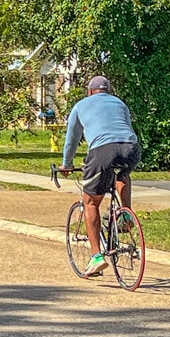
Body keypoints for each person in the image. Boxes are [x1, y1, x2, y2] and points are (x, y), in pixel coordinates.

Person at [60, 75, 141, 277]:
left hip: (103, 149)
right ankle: (125, 213)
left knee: (91, 202)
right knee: (122, 174)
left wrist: (67, 164)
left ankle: (96, 257)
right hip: (131, 148)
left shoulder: (81, 106)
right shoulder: (120, 103)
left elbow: (72, 140)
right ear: (109, 91)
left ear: (89, 92)